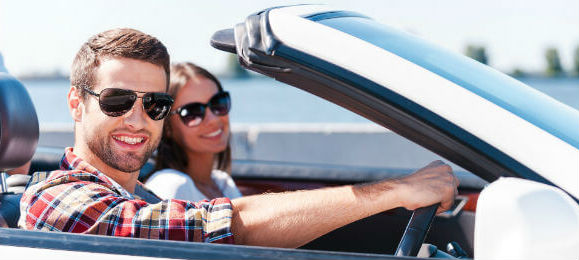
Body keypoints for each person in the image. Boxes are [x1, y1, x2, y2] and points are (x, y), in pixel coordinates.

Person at [19, 28, 459, 248]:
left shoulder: (145, 197)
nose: (137, 119)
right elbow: (221, 225)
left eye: (154, 104)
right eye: (116, 101)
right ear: (76, 104)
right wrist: (396, 190)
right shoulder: (58, 203)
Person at [145, 62, 241, 201]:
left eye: (218, 103)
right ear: (167, 128)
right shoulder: (171, 185)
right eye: (192, 112)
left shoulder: (223, 183)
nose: (213, 119)